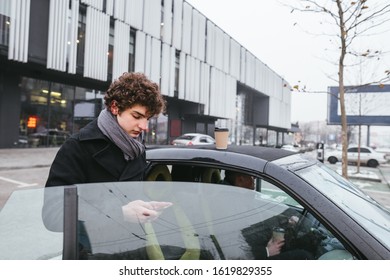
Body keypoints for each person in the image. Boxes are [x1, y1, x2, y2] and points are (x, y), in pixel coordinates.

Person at [43, 72, 171, 229]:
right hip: (92, 251)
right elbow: (53, 216)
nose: (144, 126)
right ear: (115, 107)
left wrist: (146, 207)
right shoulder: (77, 147)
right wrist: (119, 213)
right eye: (137, 116)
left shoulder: (137, 149)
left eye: (148, 119)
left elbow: (130, 197)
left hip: (133, 248)